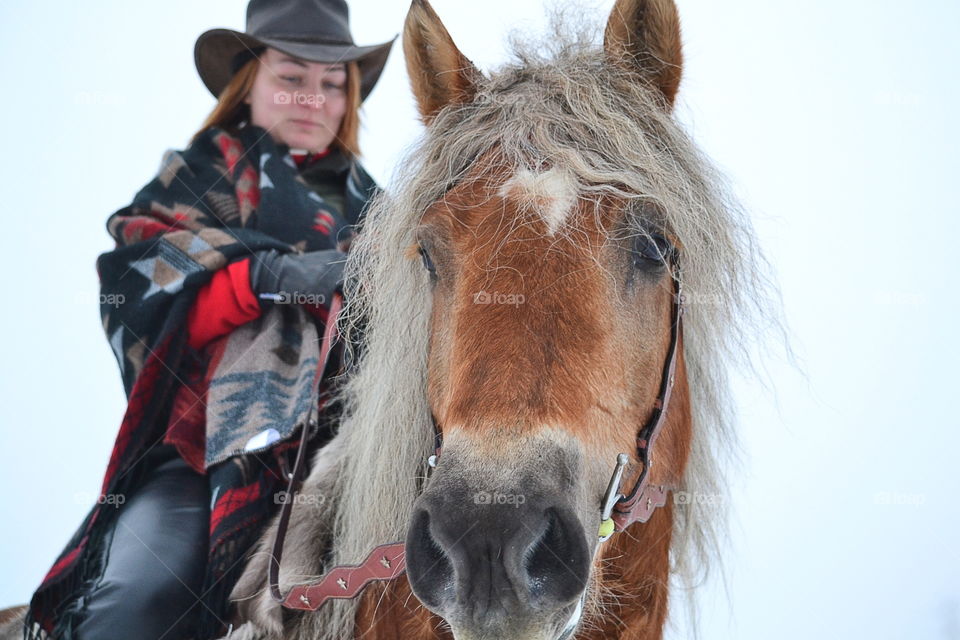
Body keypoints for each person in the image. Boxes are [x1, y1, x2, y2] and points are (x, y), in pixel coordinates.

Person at [23, 1, 395, 638]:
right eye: (292, 77)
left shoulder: (387, 214)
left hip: (358, 454)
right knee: (140, 600)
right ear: (247, 81)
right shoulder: (192, 179)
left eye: (333, 84)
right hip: (202, 455)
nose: (313, 98)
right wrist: (261, 279)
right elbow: (141, 295)